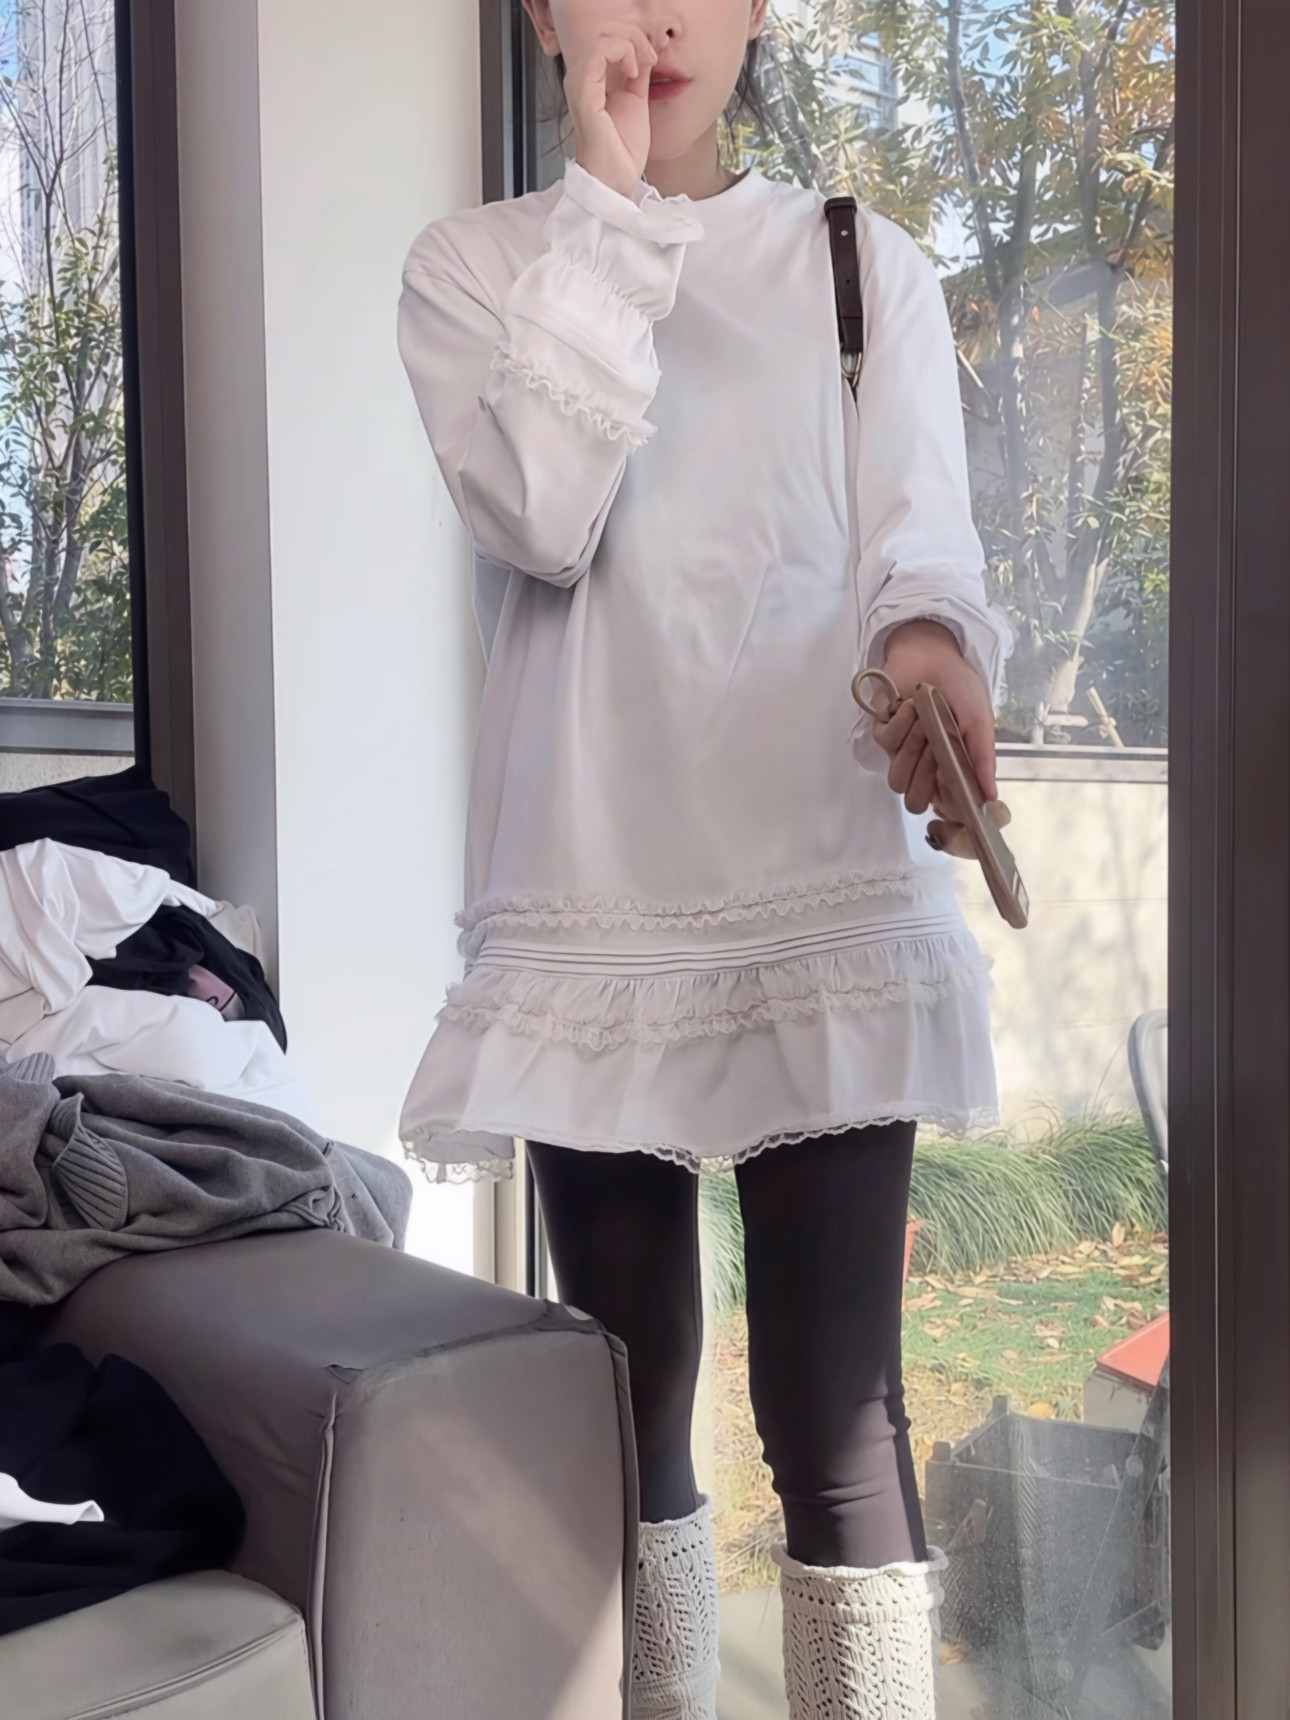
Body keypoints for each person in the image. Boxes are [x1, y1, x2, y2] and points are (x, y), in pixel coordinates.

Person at [396, 4, 1011, 1716]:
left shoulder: (859, 261)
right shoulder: (472, 268)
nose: (658, 17)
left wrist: (930, 652)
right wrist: (606, 210)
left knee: (835, 1413)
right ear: (542, 12)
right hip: (592, 895)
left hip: (821, 877)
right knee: (627, 1407)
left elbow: (920, 542)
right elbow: (540, 512)